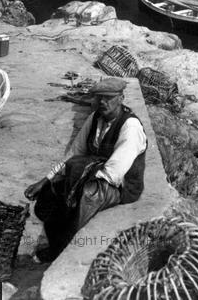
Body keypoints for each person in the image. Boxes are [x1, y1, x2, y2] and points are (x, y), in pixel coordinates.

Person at [24, 77, 147, 262]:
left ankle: (68, 252)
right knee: (53, 191)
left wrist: (77, 185)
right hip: (92, 173)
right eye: (99, 98)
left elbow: (113, 173)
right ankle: (56, 246)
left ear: (121, 98)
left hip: (121, 185)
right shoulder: (95, 117)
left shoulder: (130, 126)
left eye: (108, 97)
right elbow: (74, 153)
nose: (102, 102)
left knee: (86, 196)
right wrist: (47, 179)